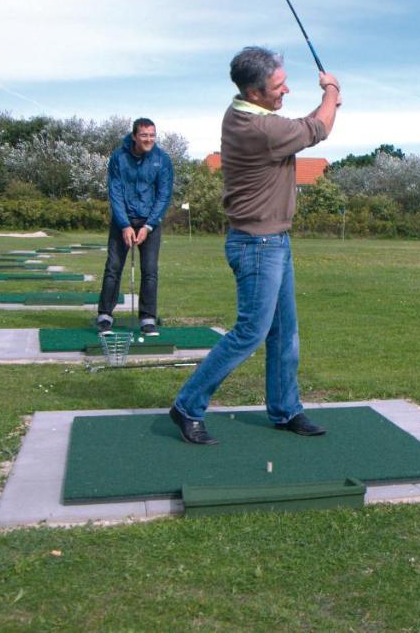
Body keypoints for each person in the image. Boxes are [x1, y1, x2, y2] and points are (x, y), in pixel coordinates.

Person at [169, 46, 340, 445]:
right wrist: (331, 93)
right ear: (255, 91)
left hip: (274, 241)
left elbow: (303, 123)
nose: (286, 91)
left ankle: (285, 410)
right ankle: (187, 406)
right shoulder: (257, 129)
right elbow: (318, 129)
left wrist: (324, 102)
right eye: (278, 86)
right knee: (250, 332)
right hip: (257, 245)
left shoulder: (251, 114)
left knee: (285, 333)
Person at [97, 118, 174, 337]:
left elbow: (163, 195)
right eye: (144, 135)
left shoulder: (162, 160)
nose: (149, 139)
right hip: (123, 220)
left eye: (152, 135)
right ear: (134, 136)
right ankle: (105, 316)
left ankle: (147, 318)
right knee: (113, 267)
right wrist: (124, 225)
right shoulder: (118, 158)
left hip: (150, 222)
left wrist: (148, 225)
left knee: (150, 271)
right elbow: (116, 192)